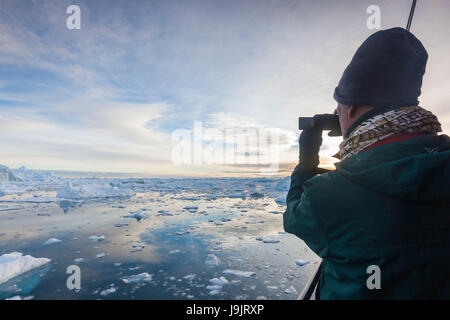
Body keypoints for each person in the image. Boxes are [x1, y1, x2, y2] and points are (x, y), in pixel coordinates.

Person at [283, 27, 450, 299]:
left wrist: (307, 160)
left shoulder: (329, 196)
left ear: (350, 109)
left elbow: (294, 216)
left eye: (338, 108)